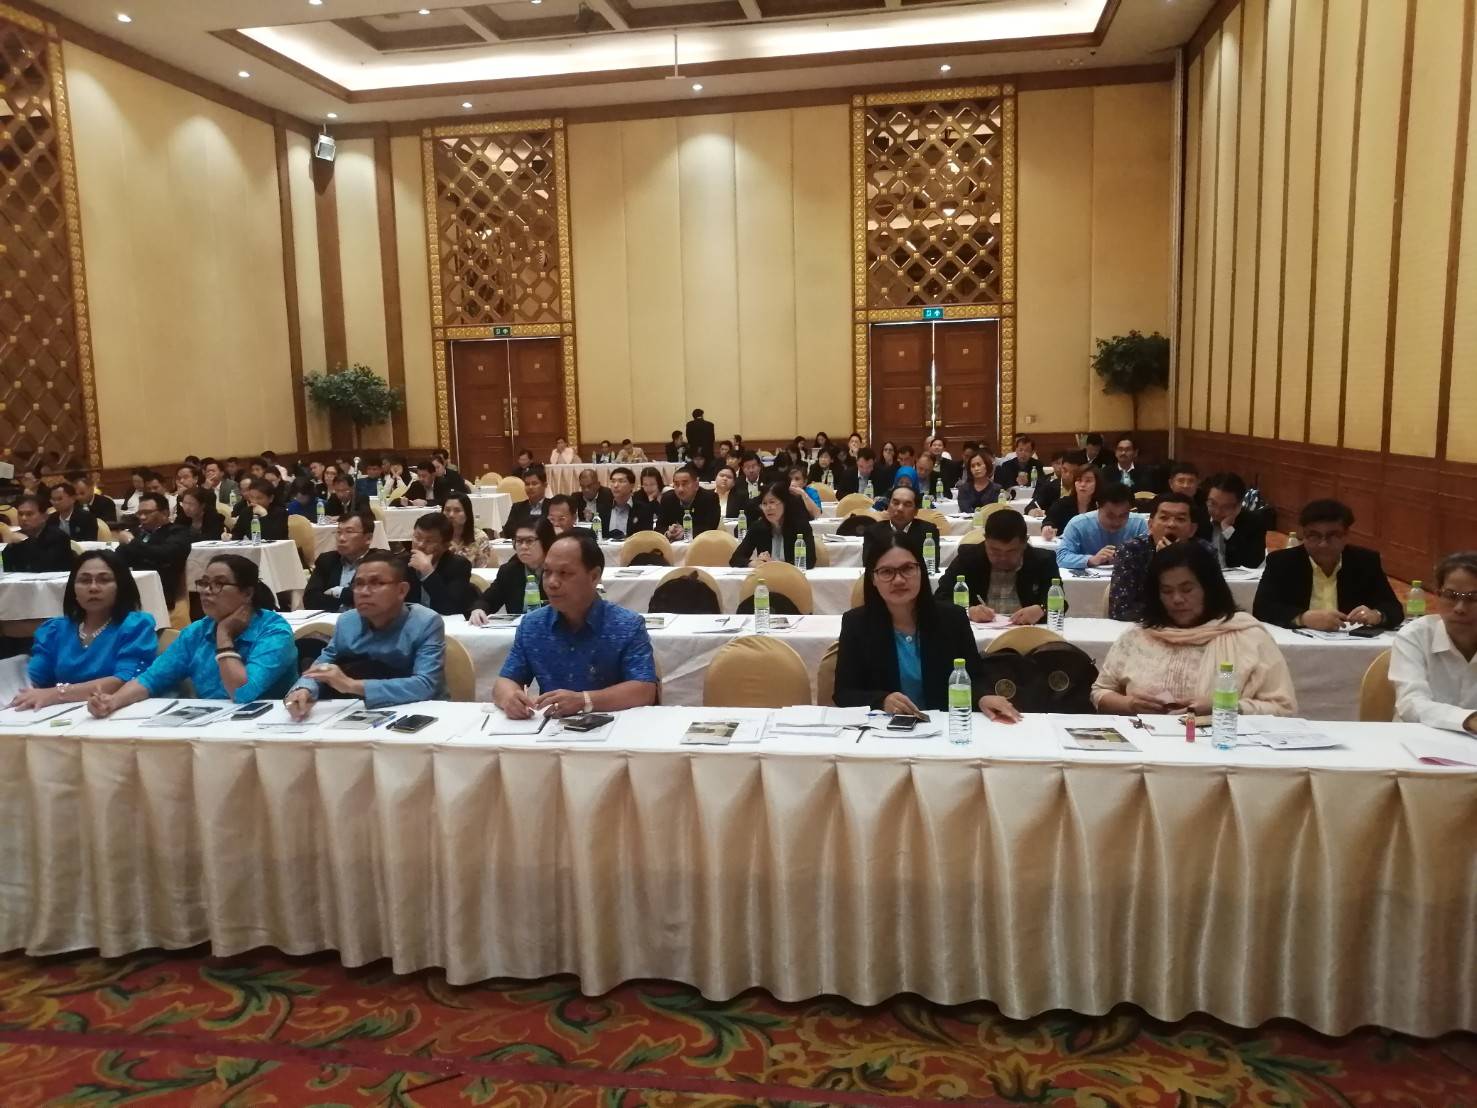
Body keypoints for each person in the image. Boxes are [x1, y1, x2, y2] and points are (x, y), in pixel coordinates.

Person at [834, 529, 1019, 722]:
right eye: (887, 572)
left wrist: (982, 697)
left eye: (907, 568)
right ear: (873, 578)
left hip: (946, 726)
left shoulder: (952, 618)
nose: (899, 580)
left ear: (921, 571)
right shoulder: (856, 624)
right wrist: (881, 701)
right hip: (885, 729)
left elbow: (975, 677)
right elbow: (843, 693)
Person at [1091, 543, 1296, 717]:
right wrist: (1130, 704)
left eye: (1187, 589)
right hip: (1145, 741)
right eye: (1167, 591)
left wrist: (1223, 708)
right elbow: (1101, 692)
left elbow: (1283, 708)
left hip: (1221, 743)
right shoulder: (1139, 635)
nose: (1177, 599)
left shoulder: (1248, 636)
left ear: (1209, 589)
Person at [87, 554, 297, 714]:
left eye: (219, 584)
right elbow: (151, 679)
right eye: (204, 583)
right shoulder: (197, 632)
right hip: (210, 724)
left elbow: (243, 693)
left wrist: (224, 636)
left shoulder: (274, 632)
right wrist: (112, 701)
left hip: (266, 726)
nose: (206, 591)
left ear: (247, 593)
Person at [493, 531, 659, 719]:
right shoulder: (532, 625)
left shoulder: (627, 625)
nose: (552, 583)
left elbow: (644, 690)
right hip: (550, 729)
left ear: (594, 576)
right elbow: (504, 681)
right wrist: (510, 698)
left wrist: (584, 700)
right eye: (547, 572)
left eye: (564, 573)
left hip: (614, 727)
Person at [285, 552, 445, 715]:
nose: (364, 592)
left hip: (420, 711)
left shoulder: (425, 622)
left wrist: (351, 685)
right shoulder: (347, 622)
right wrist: (304, 689)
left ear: (401, 590)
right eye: (359, 584)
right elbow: (322, 665)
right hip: (360, 710)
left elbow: (426, 685)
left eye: (376, 583)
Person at [7, 550, 157, 710]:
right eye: (84, 581)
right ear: (73, 588)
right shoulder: (55, 630)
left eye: (104, 580)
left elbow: (126, 681)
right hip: (61, 714)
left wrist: (56, 694)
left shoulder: (135, 625)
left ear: (121, 586)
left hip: (119, 711)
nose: (93, 587)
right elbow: (33, 679)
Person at [1252, 499, 1402, 630]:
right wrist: (1303, 618)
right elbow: (1262, 608)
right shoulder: (1282, 562)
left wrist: (1377, 615)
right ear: (1303, 535)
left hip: (1351, 642)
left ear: (1346, 535)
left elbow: (1394, 608)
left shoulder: (1365, 561)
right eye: (1314, 536)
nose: (1323, 544)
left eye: (1332, 536)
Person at [1389, 551, 1477, 733]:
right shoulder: (1414, 636)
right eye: (1451, 596)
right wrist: (1468, 720)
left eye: (1473, 598)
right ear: (1437, 595)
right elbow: (1411, 703)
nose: (1460, 608)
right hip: (1417, 742)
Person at [935, 508, 1062, 625]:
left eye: (1011, 552)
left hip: (1026, 632)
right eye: (994, 551)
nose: (1002, 558)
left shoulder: (1042, 561)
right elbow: (941, 597)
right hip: (979, 632)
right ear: (985, 540)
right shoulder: (968, 558)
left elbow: (1060, 601)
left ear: (1024, 542)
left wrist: (1042, 609)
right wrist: (968, 611)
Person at [1107, 492, 1203, 622]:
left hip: (1192, 627)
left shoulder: (1204, 552)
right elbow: (1120, 610)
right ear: (1150, 525)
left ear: (1192, 529)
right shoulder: (1131, 550)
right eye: (1164, 518)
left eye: (1180, 519)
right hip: (1145, 627)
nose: (1171, 524)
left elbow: (1216, 605)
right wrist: (1159, 563)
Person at [304, 510, 401, 612]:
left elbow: (378, 597)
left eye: (349, 532)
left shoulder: (380, 562)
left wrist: (339, 592)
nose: (341, 538)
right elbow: (310, 600)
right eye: (339, 532)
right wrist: (348, 598)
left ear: (368, 538)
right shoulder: (327, 560)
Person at [470, 517, 555, 621]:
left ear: (546, 542)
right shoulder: (509, 571)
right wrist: (479, 609)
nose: (523, 546)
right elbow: (487, 600)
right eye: (519, 541)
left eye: (530, 541)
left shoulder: (558, 571)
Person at [114, 492, 190, 606]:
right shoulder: (138, 532)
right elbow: (119, 557)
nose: (142, 517)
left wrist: (131, 542)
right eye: (139, 513)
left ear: (165, 513)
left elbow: (164, 554)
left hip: (162, 590)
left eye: (147, 513)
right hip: (133, 587)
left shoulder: (177, 532)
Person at [1055, 483, 1147, 570]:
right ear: (1098, 506)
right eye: (1110, 516)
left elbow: (1149, 557)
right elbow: (1061, 557)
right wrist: (1091, 560)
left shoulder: (1139, 523)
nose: (1116, 522)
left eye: (1123, 516)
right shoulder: (1078, 524)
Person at [729, 483, 818, 568]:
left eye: (772, 502)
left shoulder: (800, 526)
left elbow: (809, 561)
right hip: (765, 577)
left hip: (793, 576)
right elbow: (735, 559)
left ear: (785, 503)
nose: (768, 508)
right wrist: (753, 563)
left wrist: (775, 565)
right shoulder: (758, 527)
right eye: (764, 504)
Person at [409, 512, 476, 616]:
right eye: (417, 538)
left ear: (446, 545)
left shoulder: (459, 566)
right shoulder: (402, 563)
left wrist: (428, 572)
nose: (420, 545)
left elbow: (450, 608)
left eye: (429, 541)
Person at [1199, 472, 1267, 569]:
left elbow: (1253, 563)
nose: (1217, 512)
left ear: (1238, 506)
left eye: (1226, 507)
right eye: (1212, 503)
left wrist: (1228, 530)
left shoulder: (1254, 522)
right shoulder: (1198, 518)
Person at [2, 494, 74, 573]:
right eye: (20, 514)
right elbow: (6, 568)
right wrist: (9, 545)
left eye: (29, 514)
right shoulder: (17, 537)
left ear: (44, 516)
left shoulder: (58, 537)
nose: (23, 518)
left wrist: (27, 541)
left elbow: (42, 567)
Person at [876, 484, 941, 561]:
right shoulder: (875, 532)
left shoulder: (928, 531)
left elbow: (932, 564)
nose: (900, 509)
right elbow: (870, 564)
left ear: (916, 511)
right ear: (888, 507)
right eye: (896, 503)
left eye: (907, 504)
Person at [657, 465, 720, 539]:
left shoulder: (710, 498)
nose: (680, 489)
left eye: (684, 484)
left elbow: (710, 528)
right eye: (676, 484)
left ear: (696, 485)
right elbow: (659, 527)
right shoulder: (667, 498)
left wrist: (686, 532)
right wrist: (668, 533)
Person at [1041, 464, 1102, 540]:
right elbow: (1049, 521)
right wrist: (1047, 528)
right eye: (1079, 480)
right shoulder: (1062, 504)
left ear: (1097, 483)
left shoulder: (1101, 506)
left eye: (1088, 481)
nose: (1083, 484)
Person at [443, 492, 497, 568]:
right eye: (447, 510)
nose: (451, 515)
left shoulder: (479, 537)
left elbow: (488, 568)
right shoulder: (436, 536)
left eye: (457, 510)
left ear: (467, 514)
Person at [500, 466, 549, 538]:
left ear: (545, 485)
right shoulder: (517, 507)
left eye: (534, 484)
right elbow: (508, 531)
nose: (530, 487)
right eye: (527, 484)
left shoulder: (553, 506)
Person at [602, 466, 650, 538]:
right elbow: (595, 535)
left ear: (632, 486)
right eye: (613, 481)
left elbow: (646, 537)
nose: (615, 485)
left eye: (621, 481)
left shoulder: (643, 510)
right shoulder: (603, 508)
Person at [1027, 449, 1076, 515]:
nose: (1060, 467)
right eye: (1058, 463)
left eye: (1072, 472)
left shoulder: (1080, 487)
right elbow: (1031, 506)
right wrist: (1033, 511)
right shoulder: (1049, 486)